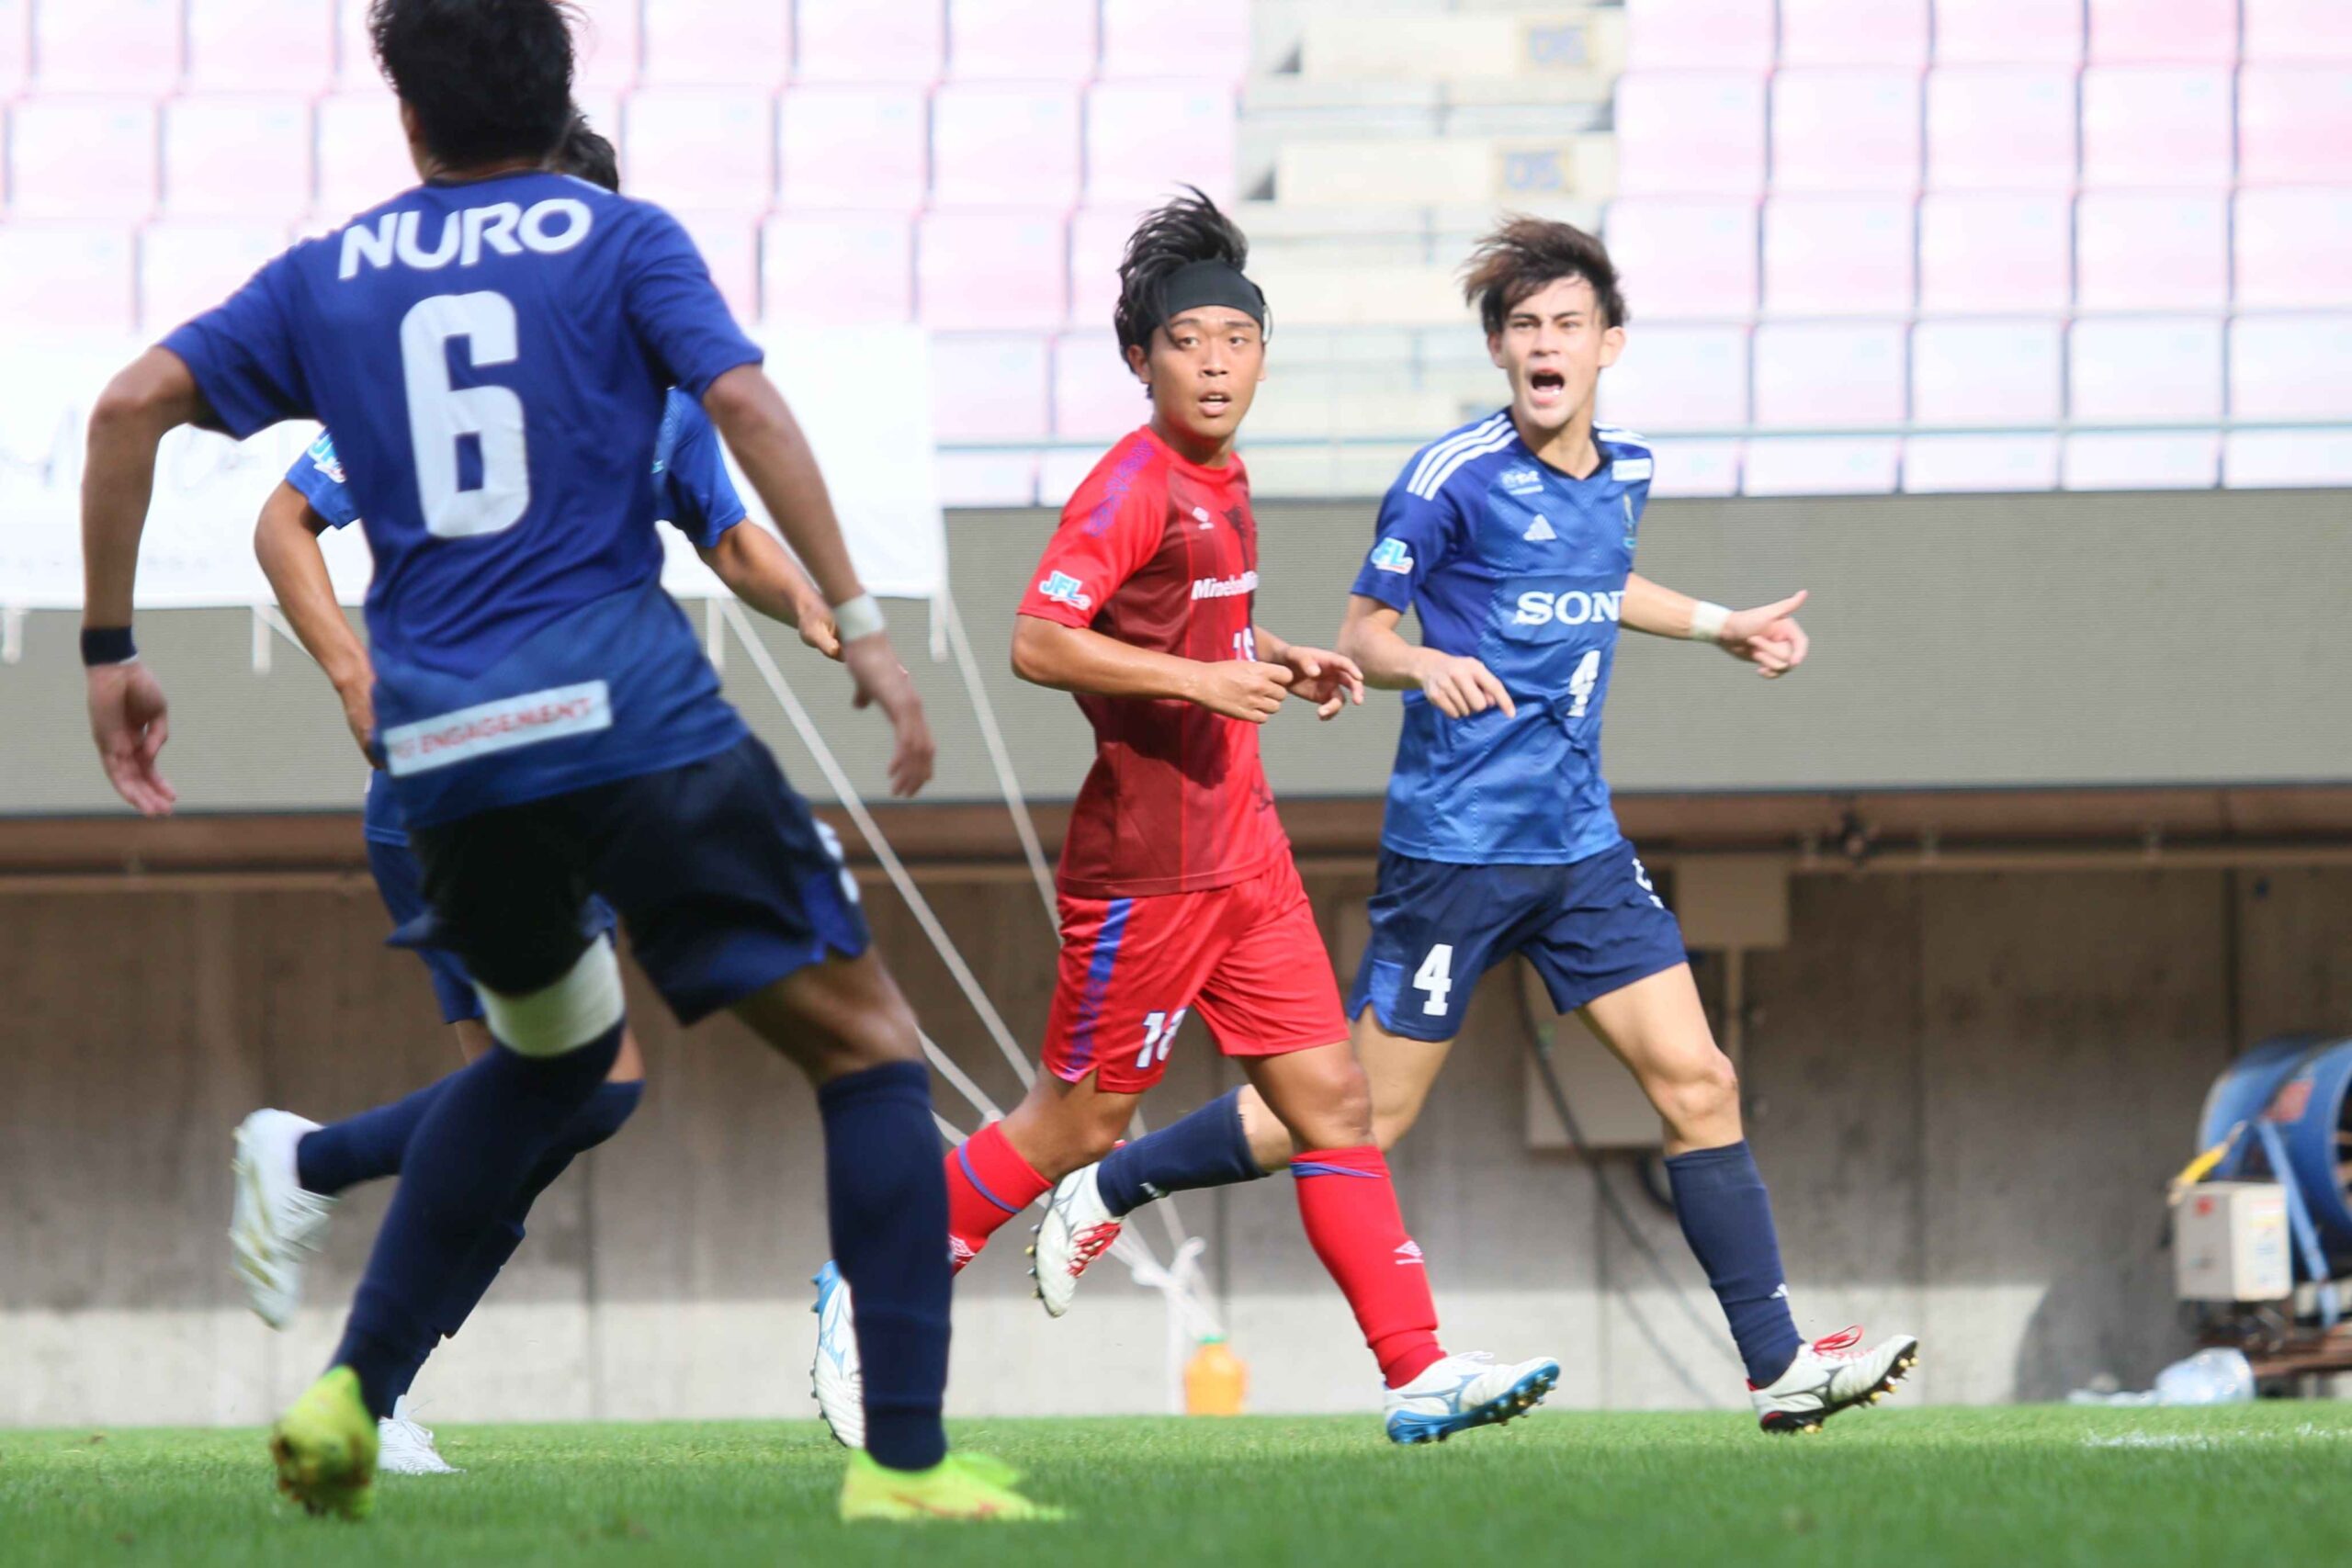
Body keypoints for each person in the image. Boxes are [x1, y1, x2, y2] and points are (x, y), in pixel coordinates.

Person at [79, 0, 1053, 1523]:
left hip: (450, 759)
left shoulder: (331, 275)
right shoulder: (617, 240)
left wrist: (109, 651)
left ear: (410, 119)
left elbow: (130, 403)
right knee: (866, 1044)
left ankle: (351, 1389)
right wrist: (863, 624)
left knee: (555, 1066)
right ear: (559, 100)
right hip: (628, 720)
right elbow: (743, 400)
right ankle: (907, 1467)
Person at [1023, 217, 1920, 1435]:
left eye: (1568, 325)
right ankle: (1111, 1184)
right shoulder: (1450, 475)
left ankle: (1779, 1365)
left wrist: (1722, 626)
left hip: (1581, 845)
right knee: (1362, 1115)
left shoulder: (1629, 470)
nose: (1547, 345)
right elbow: (1365, 633)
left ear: (1609, 344)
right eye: (1525, 327)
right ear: (1499, 350)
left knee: (1700, 1081)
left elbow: (1597, 579)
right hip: (1457, 850)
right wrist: (1423, 663)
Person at [811, 189, 1560, 1450]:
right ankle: (868, 1277)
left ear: (1263, 355)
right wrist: (1204, 684)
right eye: (1187, 341)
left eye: (1237, 340)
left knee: (1333, 1104)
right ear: (1140, 358)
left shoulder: (1226, 475)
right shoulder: (1131, 485)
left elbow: (1194, 623)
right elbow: (1040, 639)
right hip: (1148, 873)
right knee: (1078, 1125)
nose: (1215, 363)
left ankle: (1418, 1370)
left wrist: (1277, 654)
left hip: (1244, 856)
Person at [226, 113, 849, 1479]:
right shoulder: (431, 370)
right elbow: (283, 519)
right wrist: (351, 675)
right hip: (460, 771)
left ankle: (335, 1258)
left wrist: (808, 598)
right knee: (562, 1096)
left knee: (558, 1101)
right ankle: (351, 1320)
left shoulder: (654, 386)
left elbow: (724, 527)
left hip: (579, 769)